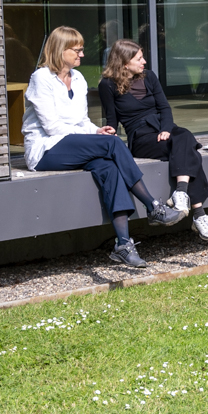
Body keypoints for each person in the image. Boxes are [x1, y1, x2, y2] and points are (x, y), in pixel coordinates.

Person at [22, 26, 184, 268]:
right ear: (60, 50)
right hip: (46, 149)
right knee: (112, 143)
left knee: (108, 167)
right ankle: (153, 206)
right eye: (77, 50)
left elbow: (81, 121)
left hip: (73, 143)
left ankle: (123, 244)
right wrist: (97, 139)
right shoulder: (41, 78)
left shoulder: (78, 79)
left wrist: (95, 131)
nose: (82, 55)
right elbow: (52, 128)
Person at [99, 39, 208, 242]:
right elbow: (112, 119)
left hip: (163, 131)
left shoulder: (149, 77)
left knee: (185, 138)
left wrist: (165, 129)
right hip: (141, 136)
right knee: (190, 151)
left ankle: (181, 194)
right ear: (125, 62)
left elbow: (164, 107)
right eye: (139, 58)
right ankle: (198, 214)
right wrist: (107, 136)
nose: (144, 61)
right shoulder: (107, 85)